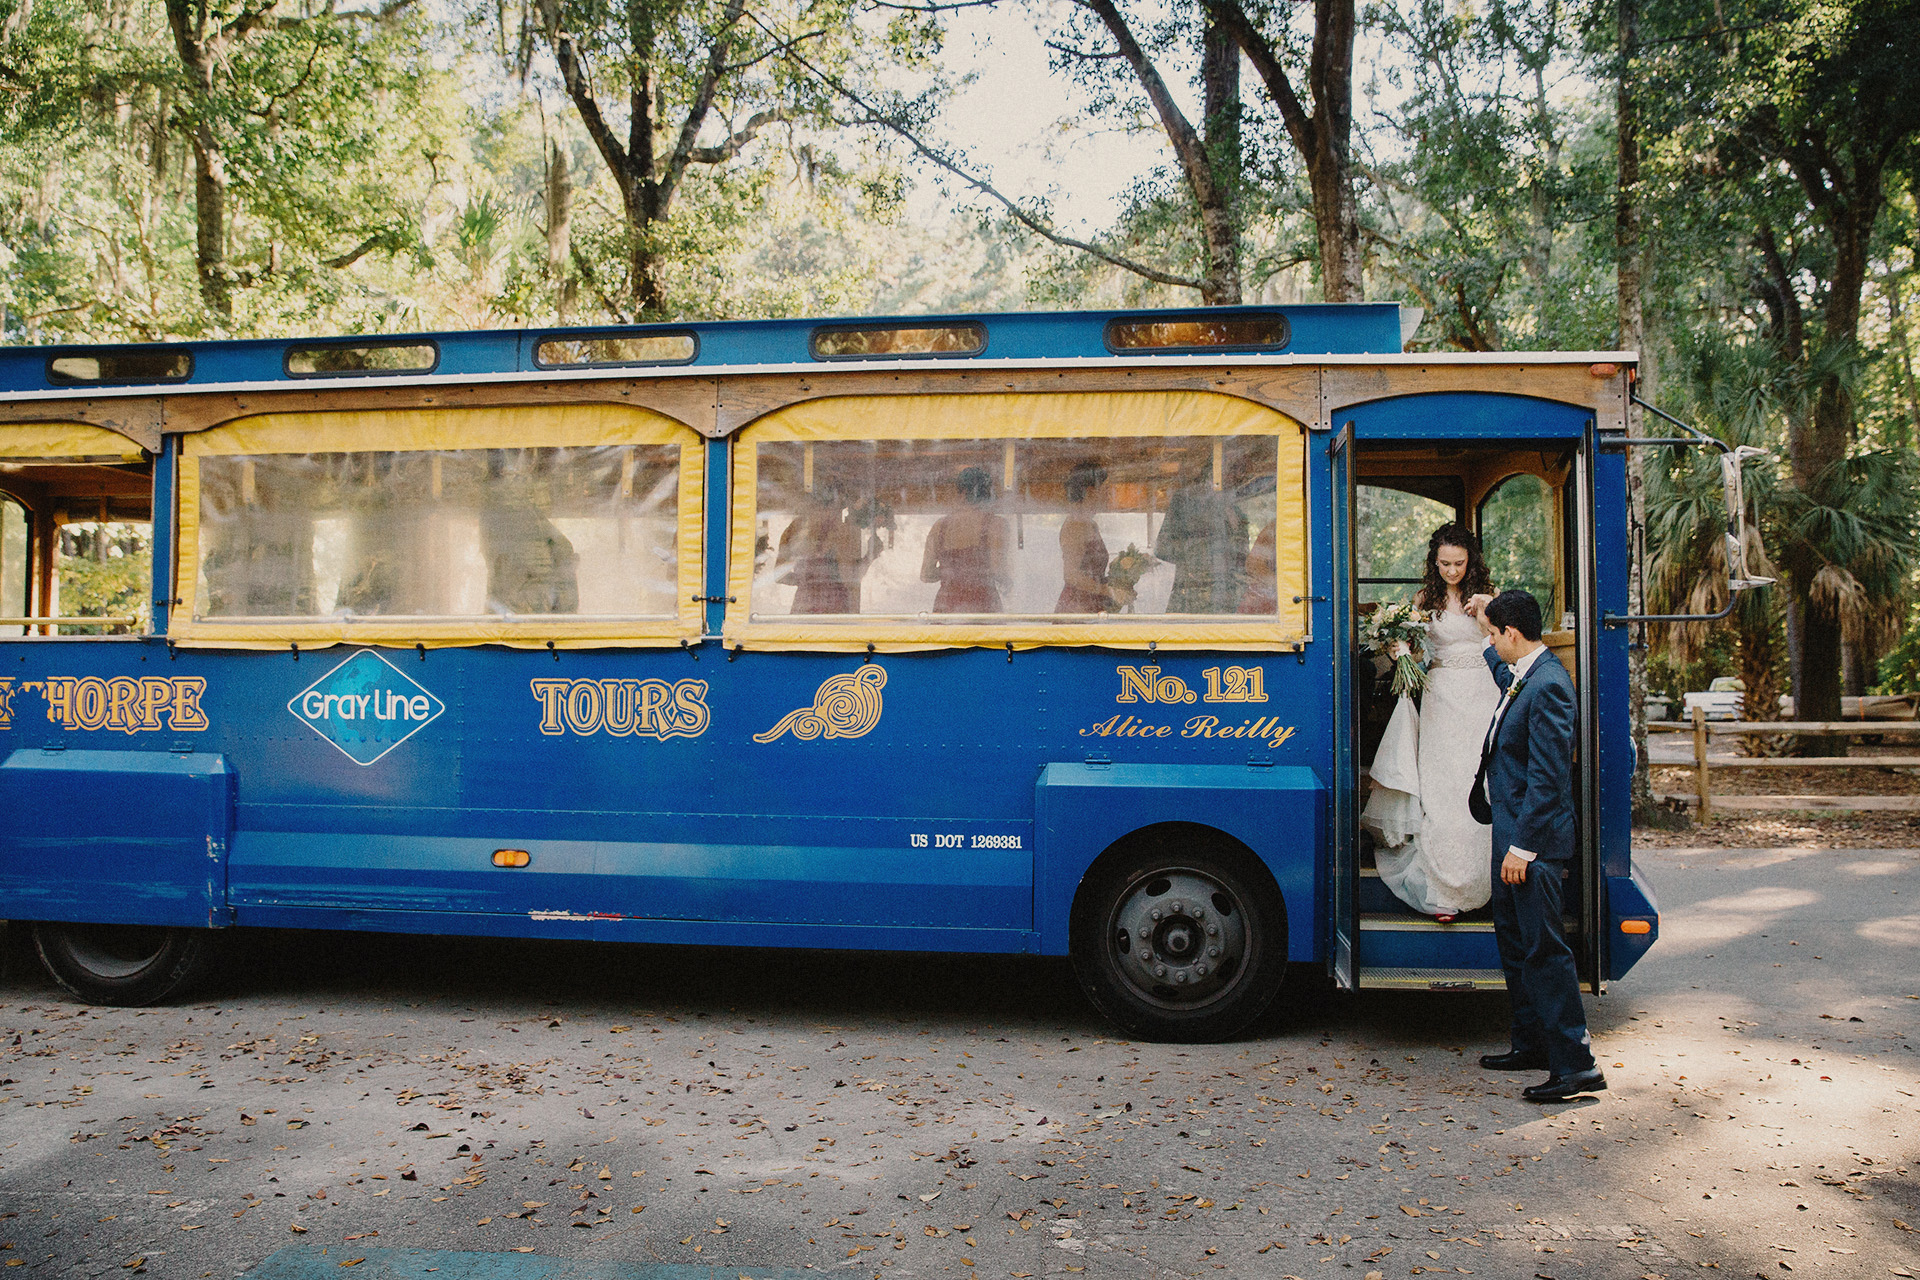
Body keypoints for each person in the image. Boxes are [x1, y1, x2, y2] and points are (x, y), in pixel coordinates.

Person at [1467, 588, 1606, 1102]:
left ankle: (1578, 1064)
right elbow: (1505, 679)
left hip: (1532, 846)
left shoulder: (1548, 685)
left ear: (1514, 633)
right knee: (1517, 945)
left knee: (1545, 953)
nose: (1491, 640)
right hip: (1510, 835)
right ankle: (1531, 1045)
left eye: (1493, 634)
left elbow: (1549, 779)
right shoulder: (1526, 674)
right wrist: (1484, 626)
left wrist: (1522, 849)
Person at [1364, 525, 1502, 921]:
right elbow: (1422, 653)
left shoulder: (1488, 599)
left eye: (1459, 563)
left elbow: (1502, 641)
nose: (1452, 571)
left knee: (1477, 780)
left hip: (1480, 692)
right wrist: (1401, 651)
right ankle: (1442, 884)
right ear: (1434, 561)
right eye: (1445, 563)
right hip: (1441, 694)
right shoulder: (1424, 599)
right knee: (1442, 785)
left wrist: (1486, 612)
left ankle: (1481, 879)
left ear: (1470, 561)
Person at [1154, 457, 1247, 612]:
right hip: (1190, 597)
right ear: (1214, 471)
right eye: (1234, 468)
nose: (1239, 475)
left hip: (1227, 599)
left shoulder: (1237, 511)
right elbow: (1162, 548)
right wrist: (1196, 551)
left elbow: (1242, 558)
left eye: (1241, 470)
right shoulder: (1186, 499)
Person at [921, 465, 1010, 614]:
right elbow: (998, 570)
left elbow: (926, 574)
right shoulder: (997, 524)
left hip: (947, 607)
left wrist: (950, 571)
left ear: (961, 493)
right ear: (987, 493)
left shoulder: (939, 526)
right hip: (983, 606)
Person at [775, 479, 873, 614]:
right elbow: (851, 578)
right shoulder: (845, 531)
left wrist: (806, 583)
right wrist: (870, 556)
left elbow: (779, 575)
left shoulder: (795, 528)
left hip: (805, 605)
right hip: (835, 608)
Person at [1055, 462, 1132, 613]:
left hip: (1091, 604)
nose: (1109, 493)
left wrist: (1119, 584)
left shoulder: (1090, 524)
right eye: (1105, 488)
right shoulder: (1075, 524)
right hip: (1077, 608)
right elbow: (1071, 575)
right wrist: (1108, 591)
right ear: (1090, 491)